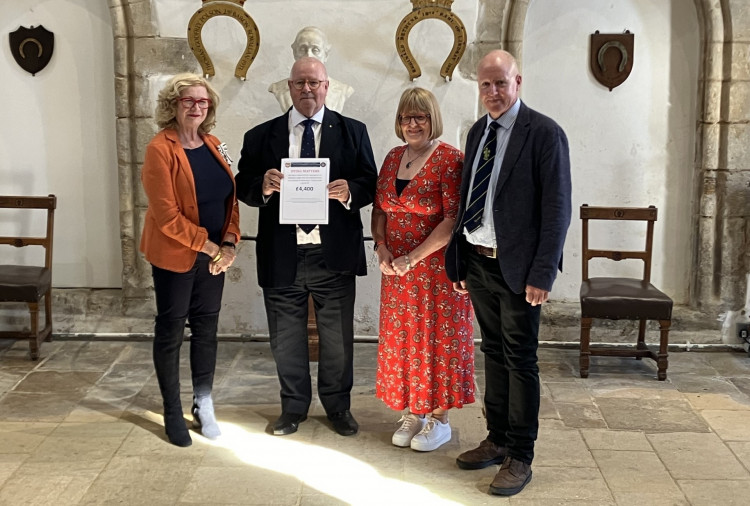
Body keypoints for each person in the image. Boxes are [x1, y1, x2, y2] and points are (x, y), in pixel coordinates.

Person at [445, 50, 571, 495]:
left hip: (520, 271)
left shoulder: (544, 133)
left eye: (501, 83)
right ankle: (496, 439)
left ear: (518, 82)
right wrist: (459, 260)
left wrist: (543, 273)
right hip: (479, 261)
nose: (493, 92)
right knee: (494, 354)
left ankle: (521, 454)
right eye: (485, 85)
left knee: (520, 359)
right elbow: (467, 202)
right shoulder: (478, 131)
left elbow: (556, 210)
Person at [236, 57, 377, 437]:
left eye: (314, 82)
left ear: (327, 86)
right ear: (290, 87)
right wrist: (262, 185)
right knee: (286, 340)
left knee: (337, 341)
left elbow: (370, 181)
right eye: (299, 83)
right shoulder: (260, 136)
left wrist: (351, 191)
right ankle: (293, 407)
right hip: (283, 252)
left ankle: (338, 408)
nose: (307, 89)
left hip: (333, 253)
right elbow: (242, 183)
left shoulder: (353, 132)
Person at [140, 74, 240, 447]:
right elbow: (166, 217)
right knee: (170, 331)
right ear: (173, 105)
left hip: (215, 256)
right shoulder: (159, 149)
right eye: (189, 101)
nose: (197, 107)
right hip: (176, 256)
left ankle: (203, 402)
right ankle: (171, 409)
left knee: (207, 330)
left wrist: (228, 242)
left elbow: (230, 199)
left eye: (203, 102)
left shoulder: (214, 143)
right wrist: (212, 247)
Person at [372, 87, 474, 452]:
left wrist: (412, 257)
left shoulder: (450, 159)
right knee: (403, 340)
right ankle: (413, 412)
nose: (412, 124)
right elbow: (380, 209)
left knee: (438, 341)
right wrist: (381, 248)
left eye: (420, 117)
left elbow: (452, 220)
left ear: (433, 120)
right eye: (405, 117)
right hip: (396, 273)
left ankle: (439, 419)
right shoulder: (392, 156)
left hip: (435, 270)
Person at [268, 26, 354, 112]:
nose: (309, 55)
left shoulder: (342, 90)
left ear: (326, 54)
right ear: (294, 52)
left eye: (315, 50)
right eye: (303, 49)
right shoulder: (278, 89)